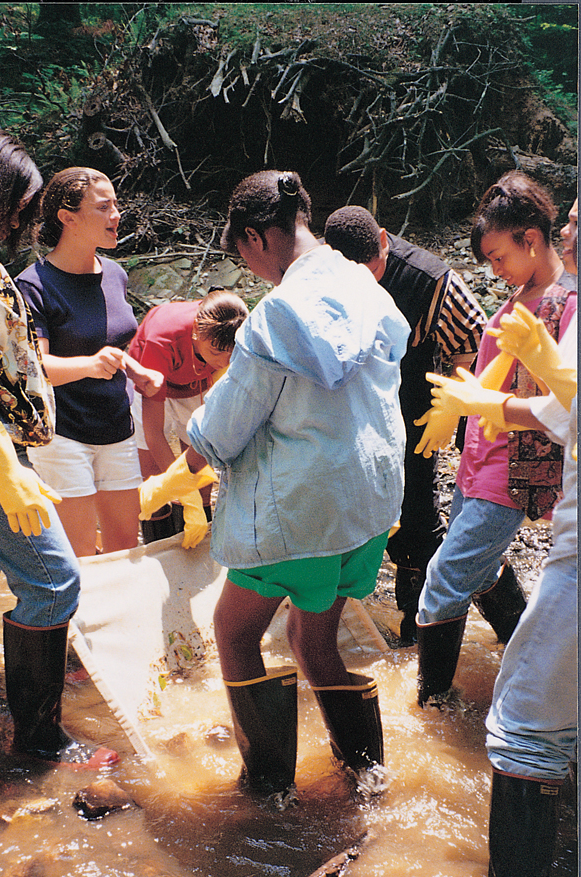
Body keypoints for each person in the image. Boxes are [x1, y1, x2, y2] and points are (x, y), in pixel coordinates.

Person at [138, 170, 410, 807]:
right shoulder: (366, 285)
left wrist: (178, 467)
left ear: (258, 238)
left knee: (232, 634)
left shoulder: (274, 318)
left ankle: (265, 794)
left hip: (302, 513)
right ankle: (367, 781)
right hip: (369, 505)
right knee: (312, 641)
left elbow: (220, 431)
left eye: (242, 250)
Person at [427, 200, 577, 877]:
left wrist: (513, 389)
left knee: (521, 728)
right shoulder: (540, 302)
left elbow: (557, 408)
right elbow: (557, 407)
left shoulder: (561, 302)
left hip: (531, 502)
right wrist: (477, 404)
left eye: (577, 221)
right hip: (488, 472)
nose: (568, 231)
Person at [0, 124, 117, 768]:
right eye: (19, 201)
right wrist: (4, 468)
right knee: (54, 580)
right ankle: (42, 744)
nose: (26, 217)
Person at [412, 172, 576, 708]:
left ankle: (434, 706)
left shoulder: (565, 303)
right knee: (478, 569)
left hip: (513, 471)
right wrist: (454, 408)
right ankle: (517, 653)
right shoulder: (520, 295)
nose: (494, 270)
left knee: (444, 577)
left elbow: (562, 404)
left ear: (531, 239)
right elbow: (490, 375)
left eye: (498, 256)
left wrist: (480, 405)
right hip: (478, 460)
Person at [324, 206, 488, 646]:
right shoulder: (323, 271)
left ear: (383, 240)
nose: (366, 281)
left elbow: (474, 343)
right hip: (357, 408)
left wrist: (452, 406)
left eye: (372, 268)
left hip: (419, 404)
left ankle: (422, 627)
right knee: (365, 511)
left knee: (417, 512)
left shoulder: (430, 278)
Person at [15, 167, 162, 558]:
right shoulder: (34, 285)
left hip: (117, 428)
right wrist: (91, 365)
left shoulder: (115, 274)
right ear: (68, 218)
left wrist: (138, 370)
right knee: (80, 557)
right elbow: (36, 369)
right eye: (104, 207)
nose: (117, 214)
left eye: (116, 205)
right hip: (63, 435)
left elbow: (110, 345)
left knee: (124, 552)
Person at [128, 290, 248, 547]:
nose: (224, 361)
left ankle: (199, 541)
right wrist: (182, 491)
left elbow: (205, 438)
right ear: (197, 333)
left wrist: (195, 494)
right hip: (151, 377)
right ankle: (158, 546)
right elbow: (154, 434)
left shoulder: (230, 327)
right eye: (217, 352)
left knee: (200, 470)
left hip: (195, 383)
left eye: (232, 353)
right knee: (152, 473)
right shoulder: (163, 338)